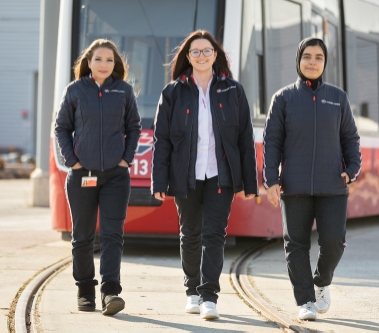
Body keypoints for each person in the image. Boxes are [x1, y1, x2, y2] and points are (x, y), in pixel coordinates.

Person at [151, 30, 258, 320]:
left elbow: (245, 138)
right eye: (195, 52)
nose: (201, 56)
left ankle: (209, 296)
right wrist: (159, 181)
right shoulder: (173, 92)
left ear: (215, 54)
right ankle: (192, 292)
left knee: (215, 235)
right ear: (188, 57)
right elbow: (162, 140)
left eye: (206, 50)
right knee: (189, 235)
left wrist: (250, 183)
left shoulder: (232, 90)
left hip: (219, 175)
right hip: (185, 175)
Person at [263, 37, 361, 321]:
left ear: (324, 62)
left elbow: (351, 138)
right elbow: (272, 143)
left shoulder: (338, 97)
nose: (313, 62)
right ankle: (304, 300)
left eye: (318, 57)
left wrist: (351, 170)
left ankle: (320, 281)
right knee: (296, 244)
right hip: (294, 187)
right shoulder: (283, 99)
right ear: (298, 60)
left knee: (334, 242)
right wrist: (271, 180)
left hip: (333, 185)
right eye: (307, 56)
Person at [55, 39, 141, 316]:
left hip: (116, 176)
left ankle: (110, 292)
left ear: (116, 64)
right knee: (82, 236)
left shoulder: (124, 91)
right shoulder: (76, 90)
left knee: (112, 235)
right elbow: (61, 128)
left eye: (110, 60)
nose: (104, 64)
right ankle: (84, 290)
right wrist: (74, 163)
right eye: (99, 59)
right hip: (82, 175)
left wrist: (126, 160)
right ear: (88, 62)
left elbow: (134, 127)